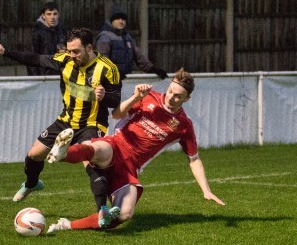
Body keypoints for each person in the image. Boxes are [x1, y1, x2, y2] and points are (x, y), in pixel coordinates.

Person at [46, 68, 226, 233]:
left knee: (124, 214)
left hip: (130, 167)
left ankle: (67, 225)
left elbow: (194, 159)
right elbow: (116, 114)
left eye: (178, 96)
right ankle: (64, 153)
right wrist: (135, 98)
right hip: (116, 145)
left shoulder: (184, 125)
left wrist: (206, 190)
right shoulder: (148, 97)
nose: (171, 97)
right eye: (170, 91)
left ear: (187, 99)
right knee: (97, 149)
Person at [0, 28, 122, 222]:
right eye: (69, 50)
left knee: (91, 163)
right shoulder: (65, 60)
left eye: (76, 51)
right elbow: (35, 59)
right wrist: (5, 52)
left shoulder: (108, 68)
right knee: (34, 155)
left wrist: (104, 97)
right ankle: (32, 183)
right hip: (65, 121)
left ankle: (103, 211)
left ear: (89, 48)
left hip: (92, 124)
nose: (72, 55)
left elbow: (116, 101)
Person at [95, 4, 167, 80]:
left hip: (125, 79)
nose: (121, 21)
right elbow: (102, 59)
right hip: (109, 81)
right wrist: (114, 72)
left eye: (123, 19)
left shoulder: (127, 37)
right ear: (112, 21)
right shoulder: (105, 37)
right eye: (117, 19)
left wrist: (153, 69)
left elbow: (139, 57)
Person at [27, 1, 67, 76]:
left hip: (61, 75)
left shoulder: (63, 31)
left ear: (58, 15)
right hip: (43, 76)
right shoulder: (36, 33)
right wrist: (35, 79)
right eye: (49, 14)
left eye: (55, 14)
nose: (52, 17)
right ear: (43, 16)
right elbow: (31, 59)